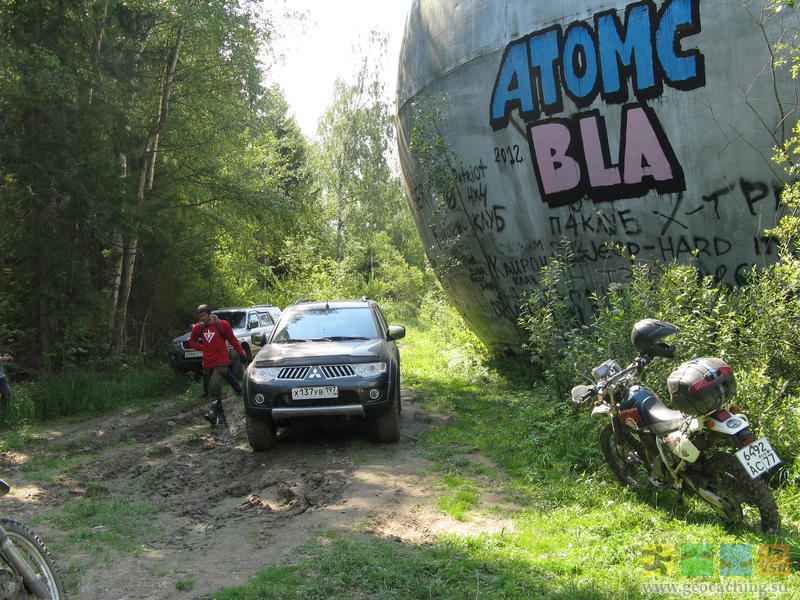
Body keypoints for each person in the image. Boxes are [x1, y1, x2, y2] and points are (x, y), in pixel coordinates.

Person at [188, 305, 246, 426]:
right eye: (200, 316)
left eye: (204, 315)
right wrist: (203, 348)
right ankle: (221, 415)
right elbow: (191, 342)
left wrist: (240, 353)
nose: (202, 318)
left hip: (221, 360)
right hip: (208, 362)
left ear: (209, 314)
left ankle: (213, 413)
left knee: (214, 385)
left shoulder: (222, 325)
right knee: (215, 385)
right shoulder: (198, 328)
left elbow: (233, 339)